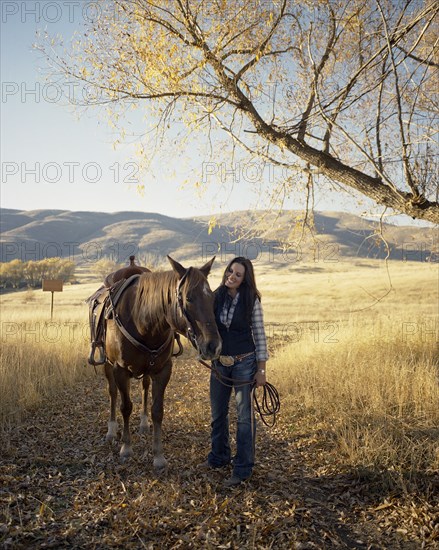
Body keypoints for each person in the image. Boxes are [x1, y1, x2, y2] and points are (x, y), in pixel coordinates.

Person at [206, 256, 269, 488]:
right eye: (230, 271)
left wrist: (261, 369)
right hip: (220, 364)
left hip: (244, 363)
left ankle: (243, 468)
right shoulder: (215, 296)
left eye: (238, 274)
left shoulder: (252, 300)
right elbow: (205, 324)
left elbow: (260, 335)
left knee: (244, 418)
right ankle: (219, 457)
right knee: (218, 414)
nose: (231, 276)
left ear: (245, 279)